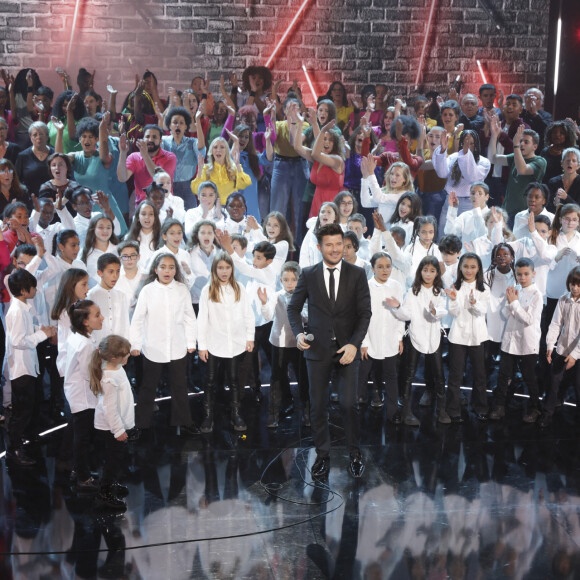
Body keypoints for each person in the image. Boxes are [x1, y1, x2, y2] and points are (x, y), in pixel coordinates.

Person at [287, 223, 371, 479]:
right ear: (319, 247)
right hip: (317, 351)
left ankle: (354, 454)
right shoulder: (309, 274)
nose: (335, 249)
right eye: (329, 245)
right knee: (318, 406)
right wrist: (299, 334)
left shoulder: (357, 274)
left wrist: (354, 344)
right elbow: (293, 308)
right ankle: (322, 456)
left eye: (339, 244)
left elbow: (365, 313)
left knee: (348, 404)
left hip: (347, 350)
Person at [129, 253, 198, 434]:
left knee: (179, 386)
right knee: (148, 387)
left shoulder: (182, 289)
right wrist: (135, 344)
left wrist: (191, 341)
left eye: (171, 267)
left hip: (178, 346)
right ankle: (141, 425)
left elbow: (189, 318)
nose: (167, 271)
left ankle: (183, 421)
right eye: (163, 267)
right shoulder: (147, 291)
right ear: (155, 269)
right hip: (153, 346)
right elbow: (137, 320)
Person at [197, 251, 255, 433]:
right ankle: (208, 416)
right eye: (220, 268)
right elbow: (202, 319)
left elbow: (248, 315)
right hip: (214, 343)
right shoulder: (208, 290)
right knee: (210, 381)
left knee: (235, 380)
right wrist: (202, 345)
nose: (224, 271)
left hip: (236, 344)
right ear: (215, 269)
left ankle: (236, 414)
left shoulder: (239, 288)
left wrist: (249, 337)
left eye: (227, 267)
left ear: (232, 268)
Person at [5, 269, 55, 466]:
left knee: (30, 406)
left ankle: (29, 437)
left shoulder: (22, 309)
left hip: (27, 366)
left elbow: (23, 332)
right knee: (21, 411)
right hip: (21, 369)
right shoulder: (17, 311)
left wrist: (39, 330)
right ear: (25, 291)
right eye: (33, 287)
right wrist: (41, 335)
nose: (36, 290)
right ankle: (14, 450)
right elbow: (18, 340)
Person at [489, 258, 543, 423]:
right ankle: (500, 406)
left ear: (533, 274)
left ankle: (536, 408)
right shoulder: (514, 290)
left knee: (529, 376)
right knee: (503, 375)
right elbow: (505, 314)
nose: (522, 277)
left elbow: (527, 319)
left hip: (527, 342)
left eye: (526, 274)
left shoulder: (537, 295)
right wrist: (510, 302)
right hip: (510, 339)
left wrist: (514, 303)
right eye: (519, 274)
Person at [396, 256, 449, 425]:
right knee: (409, 375)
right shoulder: (413, 291)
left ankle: (441, 410)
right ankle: (405, 412)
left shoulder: (439, 292)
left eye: (432, 271)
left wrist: (434, 311)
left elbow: (442, 312)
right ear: (420, 271)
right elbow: (406, 314)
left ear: (437, 273)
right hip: (415, 336)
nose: (428, 274)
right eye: (425, 270)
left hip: (433, 338)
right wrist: (397, 307)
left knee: (439, 375)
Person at [259, 261, 310, 428]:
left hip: (298, 343)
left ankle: (306, 410)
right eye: (286, 279)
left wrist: (297, 305)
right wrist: (265, 303)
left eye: (293, 279)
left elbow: (306, 318)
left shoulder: (304, 296)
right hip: (279, 343)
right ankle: (274, 412)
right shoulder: (276, 295)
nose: (289, 283)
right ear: (281, 280)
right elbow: (268, 316)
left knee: (302, 377)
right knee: (277, 377)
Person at [89, 334, 134, 510]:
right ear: (114, 358)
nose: (128, 356)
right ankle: (104, 491)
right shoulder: (109, 378)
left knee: (117, 458)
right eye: (126, 355)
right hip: (112, 427)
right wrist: (118, 430)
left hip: (119, 424)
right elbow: (110, 408)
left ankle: (111, 483)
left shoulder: (116, 367)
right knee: (112, 460)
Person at [358, 252, 404, 420]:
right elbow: (361, 316)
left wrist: (399, 337)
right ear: (373, 268)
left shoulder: (397, 286)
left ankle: (393, 412)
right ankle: (357, 410)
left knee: (391, 375)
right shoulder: (366, 287)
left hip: (390, 338)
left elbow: (400, 313)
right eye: (380, 267)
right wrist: (364, 341)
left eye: (388, 266)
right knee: (362, 374)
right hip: (370, 338)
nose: (385, 270)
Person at [64, 300, 104, 492]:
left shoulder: (77, 338)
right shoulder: (86, 344)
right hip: (83, 397)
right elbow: (90, 374)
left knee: (79, 435)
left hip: (76, 393)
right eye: (97, 315)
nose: (102, 318)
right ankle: (83, 477)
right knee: (83, 438)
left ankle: (78, 470)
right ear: (86, 321)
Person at [444, 253, 490, 422]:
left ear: (478, 269)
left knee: (479, 374)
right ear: (460, 268)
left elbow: (482, 311)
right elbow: (453, 312)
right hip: (458, 336)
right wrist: (454, 300)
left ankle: (480, 407)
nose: (469, 270)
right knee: (455, 375)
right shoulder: (455, 286)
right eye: (465, 267)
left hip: (477, 336)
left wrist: (473, 303)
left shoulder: (484, 288)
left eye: (472, 267)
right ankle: (453, 409)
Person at [541, 266, 580, 427]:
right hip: (562, 349)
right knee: (553, 382)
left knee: (578, 386)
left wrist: (575, 355)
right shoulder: (563, 299)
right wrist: (550, 345)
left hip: (578, 353)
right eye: (573, 283)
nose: (575, 288)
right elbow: (556, 323)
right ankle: (547, 414)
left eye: (578, 284)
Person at [488, 121, 546, 224]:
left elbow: (522, 169)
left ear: (535, 147)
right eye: (520, 141)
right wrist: (494, 135)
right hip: (506, 211)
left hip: (524, 214)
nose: (522, 144)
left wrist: (515, 145)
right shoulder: (516, 157)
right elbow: (493, 159)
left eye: (526, 142)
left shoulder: (540, 161)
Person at [117, 124, 177, 209]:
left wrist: (145, 155)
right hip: (142, 208)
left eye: (154, 137)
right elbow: (122, 178)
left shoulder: (170, 157)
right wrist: (122, 153)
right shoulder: (134, 157)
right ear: (143, 139)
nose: (150, 139)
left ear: (160, 141)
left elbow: (159, 179)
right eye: (147, 136)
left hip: (165, 206)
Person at [87, 253, 130, 344]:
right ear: (100, 273)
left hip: (118, 347)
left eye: (118, 271)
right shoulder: (91, 295)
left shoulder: (121, 295)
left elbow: (125, 324)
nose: (115, 276)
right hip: (98, 346)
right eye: (111, 272)